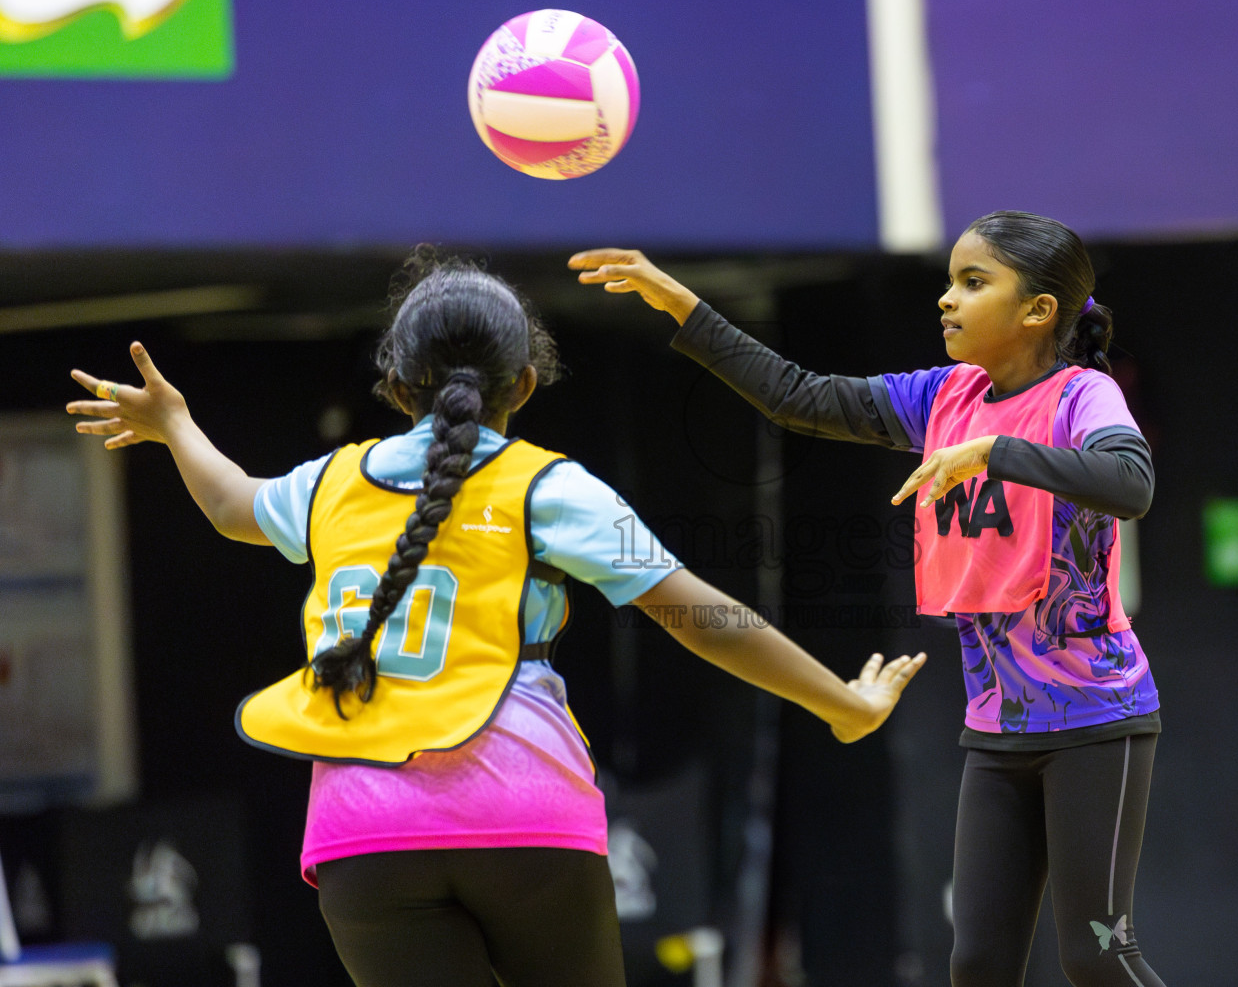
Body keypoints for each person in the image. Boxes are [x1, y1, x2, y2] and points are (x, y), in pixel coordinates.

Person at [66, 251, 926, 987]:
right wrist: (839, 704)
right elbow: (700, 615)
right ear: (525, 381)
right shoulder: (548, 485)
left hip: (362, 829)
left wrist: (175, 425)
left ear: (395, 383)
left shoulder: (330, 483)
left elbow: (231, 506)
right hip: (523, 805)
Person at [570, 211, 1166, 987]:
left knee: (1096, 955)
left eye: (972, 282)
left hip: (1098, 719)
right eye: (949, 280)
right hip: (995, 729)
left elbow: (1132, 484)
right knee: (979, 963)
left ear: (1039, 310)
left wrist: (995, 452)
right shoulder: (942, 396)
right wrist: (683, 304)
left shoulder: (1083, 396)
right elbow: (797, 397)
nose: (946, 300)